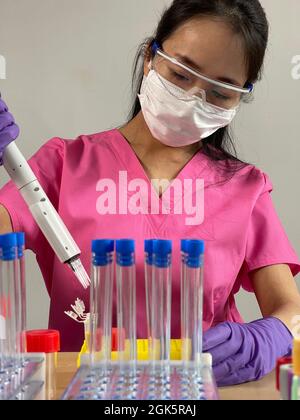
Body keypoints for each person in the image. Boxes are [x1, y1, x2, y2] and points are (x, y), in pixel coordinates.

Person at [1, 0, 300, 386]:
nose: (194, 99)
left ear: (241, 96)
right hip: (89, 390)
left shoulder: (245, 187)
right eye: (180, 74)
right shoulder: (63, 165)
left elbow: (290, 308)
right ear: (149, 58)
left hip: (200, 392)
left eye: (220, 93)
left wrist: (270, 336)